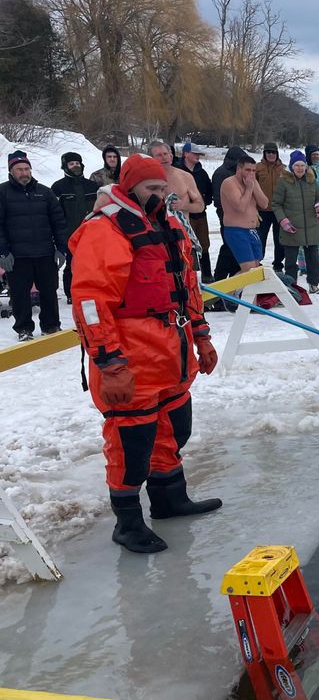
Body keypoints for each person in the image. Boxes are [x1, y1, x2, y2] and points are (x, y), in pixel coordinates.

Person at [69, 154, 220, 554]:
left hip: (172, 353)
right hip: (129, 358)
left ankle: (170, 500)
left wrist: (202, 338)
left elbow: (187, 286)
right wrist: (110, 362)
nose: (160, 195)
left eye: (162, 188)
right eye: (152, 189)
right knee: (131, 445)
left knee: (173, 430)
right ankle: (128, 523)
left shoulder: (168, 224)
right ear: (130, 186)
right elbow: (90, 300)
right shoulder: (105, 230)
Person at [0, 151, 68, 340]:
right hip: (17, 256)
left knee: (49, 291)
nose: (24, 173)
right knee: (20, 295)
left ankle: (51, 325)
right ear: (11, 171)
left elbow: (59, 223)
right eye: (19, 169)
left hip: (45, 253)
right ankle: (24, 328)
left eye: (27, 168)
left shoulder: (45, 192)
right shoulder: (2, 193)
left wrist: (61, 248)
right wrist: (3, 252)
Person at [50, 151, 100, 303]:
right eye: (71, 164)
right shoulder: (58, 187)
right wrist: (59, 235)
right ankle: (71, 293)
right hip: (70, 234)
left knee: (94, 264)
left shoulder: (93, 186)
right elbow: (55, 214)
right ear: (65, 167)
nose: (75, 166)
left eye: (77, 163)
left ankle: (95, 290)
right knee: (72, 265)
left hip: (93, 233)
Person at [273, 150, 319, 294]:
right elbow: (276, 204)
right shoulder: (284, 182)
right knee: (290, 262)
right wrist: (283, 220)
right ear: (291, 167)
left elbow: (318, 198)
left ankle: (314, 284)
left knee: (313, 260)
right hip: (292, 228)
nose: (300, 168)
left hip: (310, 227)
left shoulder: (311, 180)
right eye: (297, 165)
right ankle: (291, 287)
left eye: (302, 165)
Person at [149, 141, 204, 264]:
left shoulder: (185, 177)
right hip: (156, 237)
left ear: (171, 156)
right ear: (150, 158)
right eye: (159, 155)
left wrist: (183, 205)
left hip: (181, 235)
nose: (164, 157)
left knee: (188, 276)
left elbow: (200, 206)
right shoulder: (145, 180)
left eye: (165, 154)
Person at [220, 156, 269, 273]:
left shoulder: (253, 182)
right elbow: (240, 207)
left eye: (253, 170)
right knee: (249, 270)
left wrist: (254, 187)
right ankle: (226, 290)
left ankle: (231, 291)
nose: (251, 173)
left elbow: (265, 204)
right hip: (236, 230)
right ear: (239, 169)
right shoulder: (229, 183)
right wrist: (248, 189)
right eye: (247, 170)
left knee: (255, 269)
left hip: (252, 230)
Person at [174, 143, 214, 281]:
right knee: (187, 246)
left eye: (199, 154)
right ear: (185, 154)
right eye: (195, 153)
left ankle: (207, 276)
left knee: (204, 245)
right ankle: (189, 277)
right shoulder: (176, 171)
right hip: (183, 216)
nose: (198, 156)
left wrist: (203, 202)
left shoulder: (202, 173)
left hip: (200, 215)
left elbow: (209, 192)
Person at [210, 146, 250, 281]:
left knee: (232, 249)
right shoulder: (222, 173)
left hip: (237, 216)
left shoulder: (233, 172)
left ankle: (232, 276)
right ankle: (220, 277)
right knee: (229, 248)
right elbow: (219, 199)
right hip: (227, 216)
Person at [255, 143, 287, 272]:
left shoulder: (284, 169)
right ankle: (258, 263)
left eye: (273, 152)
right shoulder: (258, 168)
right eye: (268, 152)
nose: (271, 155)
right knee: (260, 239)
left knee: (280, 240)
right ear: (264, 153)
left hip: (279, 210)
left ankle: (278, 264)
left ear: (277, 153)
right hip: (262, 210)